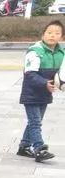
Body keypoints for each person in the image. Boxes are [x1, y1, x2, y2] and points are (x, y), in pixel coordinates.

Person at [17, 20, 64, 163]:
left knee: (34, 121)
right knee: (35, 122)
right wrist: (45, 83)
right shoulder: (35, 51)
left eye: (57, 33)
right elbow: (30, 74)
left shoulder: (61, 53)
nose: (52, 36)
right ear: (43, 34)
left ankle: (24, 146)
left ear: (62, 37)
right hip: (31, 92)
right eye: (49, 32)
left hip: (45, 93)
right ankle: (39, 149)